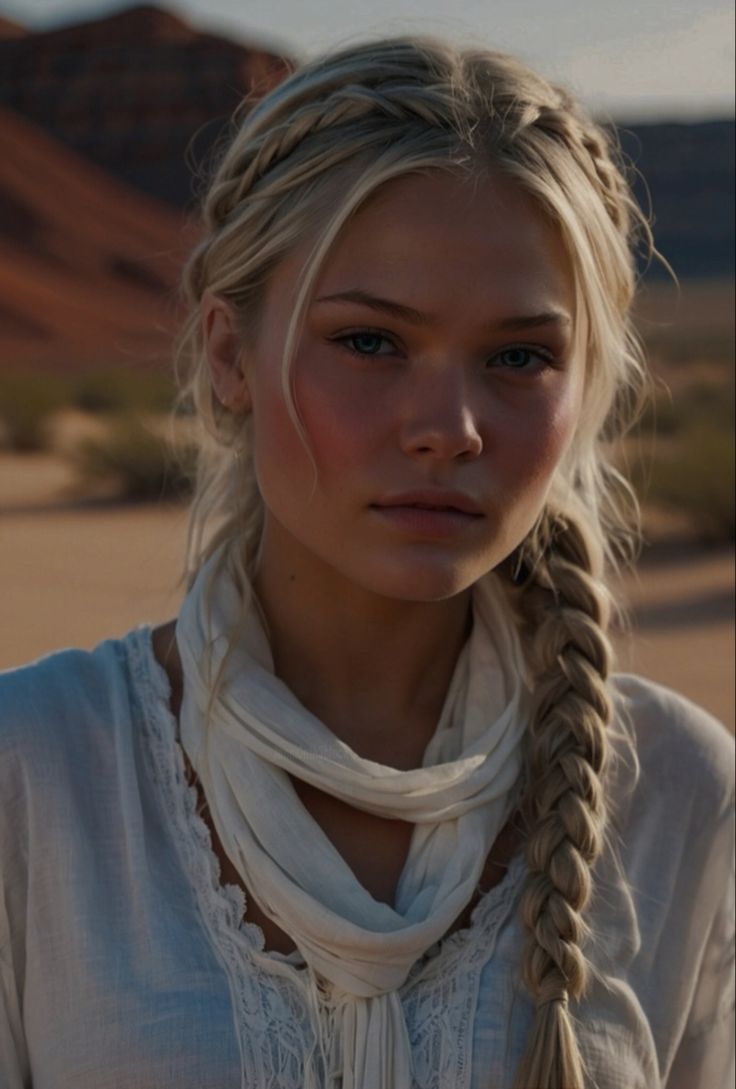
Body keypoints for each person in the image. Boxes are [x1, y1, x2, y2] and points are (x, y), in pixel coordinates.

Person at [0, 35, 733, 1089]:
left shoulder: (678, 793)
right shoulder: (37, 774)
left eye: (519, 358)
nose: (449, 428)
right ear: (226, 353)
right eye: (370, 343)